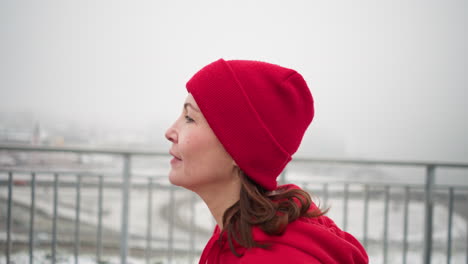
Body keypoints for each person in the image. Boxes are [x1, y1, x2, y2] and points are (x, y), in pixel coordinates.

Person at [165, 59, 368, 264]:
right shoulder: (237, 234)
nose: (170, 132)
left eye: (190, 118)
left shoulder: (270, 257)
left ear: (238, 149)